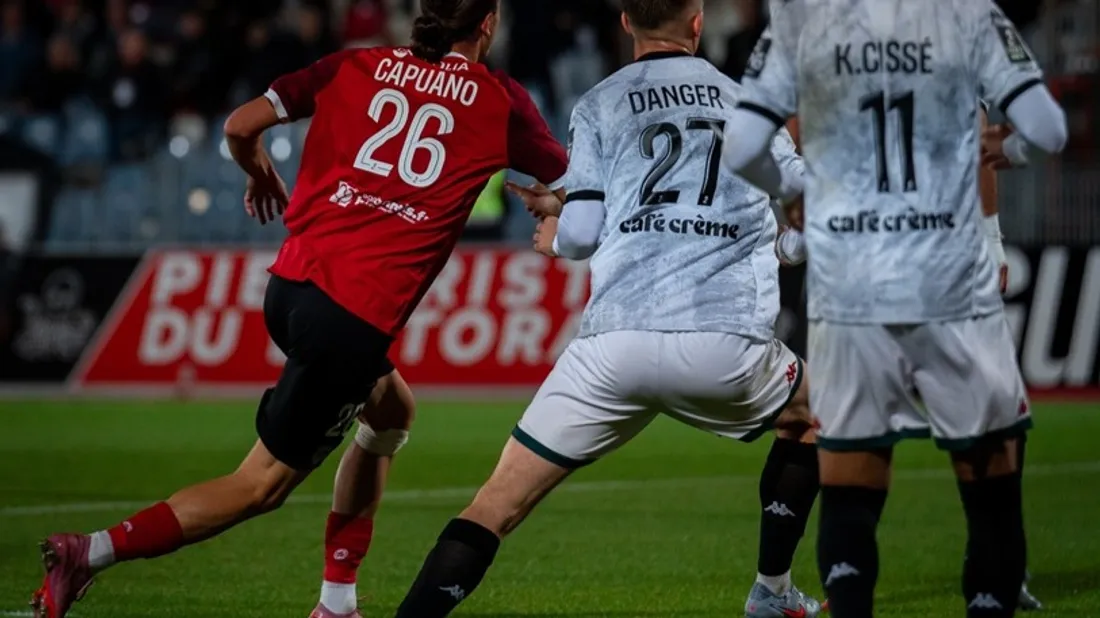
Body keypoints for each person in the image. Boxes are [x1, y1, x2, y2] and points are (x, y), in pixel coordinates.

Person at [29, 2, 568, 617]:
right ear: (490, 23)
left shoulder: (354, 65)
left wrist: (259, 172)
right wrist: (552, 209)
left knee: (391, 408)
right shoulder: (500, 101)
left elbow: (238, 125)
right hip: (352, 318)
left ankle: (337, 603)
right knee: (259, 486)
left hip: (289, 290)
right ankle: (90, 552)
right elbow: (579, 186)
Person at [389, 1, 825, 616]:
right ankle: (773, 593)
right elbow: (817, 210)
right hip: (721, 344)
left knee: (494, 503)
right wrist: (783, 244)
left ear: (626, 23)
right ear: (697, 24)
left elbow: (585, 231)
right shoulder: (747, 104)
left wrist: (555, 234)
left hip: (610, 350)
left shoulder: (600, 102)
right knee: (813, 418)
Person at [723, 0, 1068, 616]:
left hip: (852, 288)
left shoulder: (804, 19)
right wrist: (1005, 153)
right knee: (990, 491)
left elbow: (745, 143)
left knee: (852, 491)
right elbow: (1048, 131)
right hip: (952, 285)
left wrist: (798, 195)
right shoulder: (968, 14)